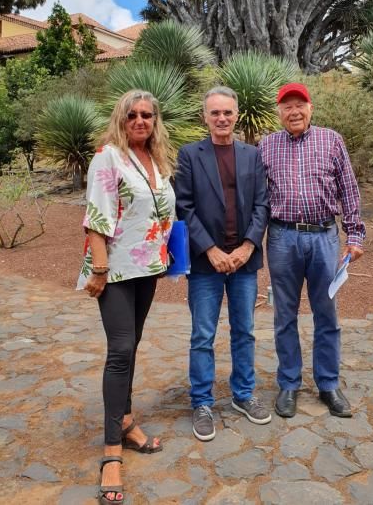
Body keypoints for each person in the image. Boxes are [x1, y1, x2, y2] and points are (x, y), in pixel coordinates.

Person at [76, 90, 175, 505]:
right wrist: (98, 269)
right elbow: (96, 216)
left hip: (147, 270)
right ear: (122, 118)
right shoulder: (108, 158)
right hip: (114, 271)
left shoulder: (160, 161)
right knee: (119, 351)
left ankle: (127, 422)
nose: (139, 120)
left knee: (131, 348)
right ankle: (111, 453)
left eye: (146, 115)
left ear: (155, 121)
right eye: (132, 115)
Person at [258, 82, 365, 420]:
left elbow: (348, 187)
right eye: (287, 106)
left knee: (326, 313)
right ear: (279, 112)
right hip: (282, 238)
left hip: (323, 238)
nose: (294, 111)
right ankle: (288, 383)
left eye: (299, 104)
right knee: (284, 315)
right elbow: (257, 199)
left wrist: (355, 234)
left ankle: (328, 384)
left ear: (310, 108)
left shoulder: (331, 140)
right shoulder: (266, 146)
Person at [174, 86, 270, 441]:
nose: (222, 118)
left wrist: (247, 247)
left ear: (237, 114)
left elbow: (262, 204)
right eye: (215, 113)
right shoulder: (190, 155)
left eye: (227, 112)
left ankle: (244, 394)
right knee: (203, 336)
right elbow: (184, 207)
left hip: (244, 261)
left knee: (244, 331)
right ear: (205, 117)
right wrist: (211, 250)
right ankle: (202, 402)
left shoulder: (252, 155)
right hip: (205, 264)